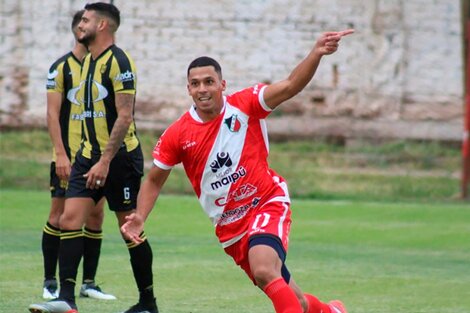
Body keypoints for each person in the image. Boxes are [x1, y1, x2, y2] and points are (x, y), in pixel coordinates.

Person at [122, 29, 354, 313]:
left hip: (266, 202)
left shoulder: (245, 105)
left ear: (222, 84)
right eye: (195, 84)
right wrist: (140, 217)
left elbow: (291, 85)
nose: (203, 88)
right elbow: (155, 180)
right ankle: (332, 311)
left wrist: (316, 52)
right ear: (189, 90)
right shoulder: (178, 134)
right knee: (298, 302)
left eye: (209, 81)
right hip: (231, 228)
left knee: (264, 269)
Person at [29, 3, 157, 313]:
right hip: (87, 157)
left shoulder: (120, 62)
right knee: (69, 219)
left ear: (102, 25)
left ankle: (147, 302)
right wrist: (84, 156)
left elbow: (125, 116)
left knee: (129, 228)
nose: (80, 25)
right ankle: (66, 299)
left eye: (85, 20)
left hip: (120, 159)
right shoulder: (87, 63)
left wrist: (105, 161)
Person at [41, 9, 115, 302]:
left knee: (96, 217)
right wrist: (60, 153)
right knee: (59, 217)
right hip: (68, 157)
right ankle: (50, 282)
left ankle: (89, 283)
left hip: (95, 157)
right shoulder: (61, 68)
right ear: (78, 31)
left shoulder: (102, 66)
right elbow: (50, 113)